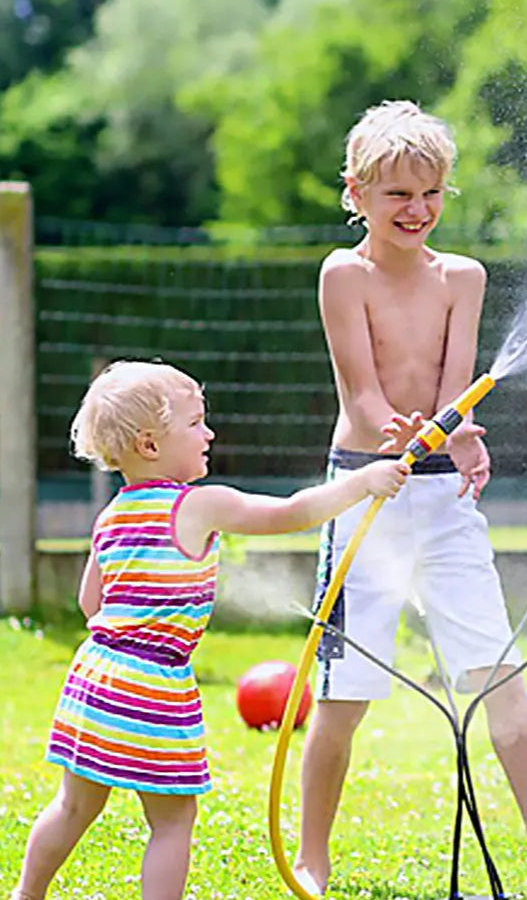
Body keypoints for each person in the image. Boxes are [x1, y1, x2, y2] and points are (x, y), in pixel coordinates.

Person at [293, 100, 527, 899]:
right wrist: (394, 434)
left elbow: (456, 389)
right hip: (364, 493)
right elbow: (361, 396)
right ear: (356, 193)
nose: (418, 210)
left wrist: (456, 433)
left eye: (431, 193)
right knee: (345, 694)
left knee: (497, 675)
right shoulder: (343, 273)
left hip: (440, 500)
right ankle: (313, 858)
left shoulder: (463, 276)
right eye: (397, 195)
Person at [10, 359, 408, 900]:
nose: (210, 433)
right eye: (196, 423)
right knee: (172, 822)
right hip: (154, 683)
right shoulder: (199, 504)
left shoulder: (113, 513)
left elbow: (89, 601)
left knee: (75, 805)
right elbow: (290, 512)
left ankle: (26, 894)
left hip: (95, 674)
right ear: (150, 445)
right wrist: (362, 481)